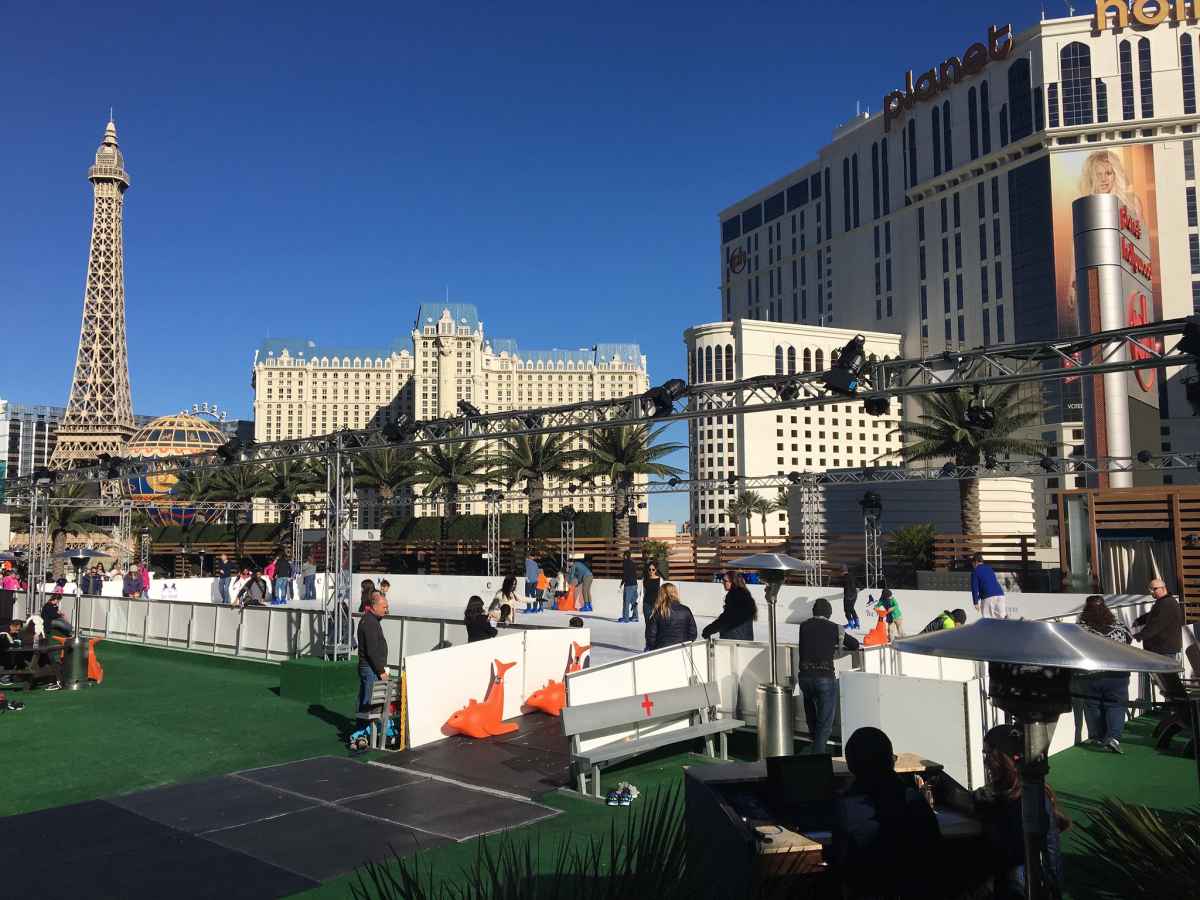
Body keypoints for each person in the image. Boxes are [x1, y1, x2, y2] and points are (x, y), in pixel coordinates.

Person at [934, 725, 1069, 899]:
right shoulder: (1004, 791)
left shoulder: (1028, 800)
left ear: (1003, 757)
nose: (985, 761)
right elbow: (973, 800)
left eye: (988, 754)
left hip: (1015, 888)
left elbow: (1046, 853)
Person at [830, 726, 942, 898]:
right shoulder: (913, 799)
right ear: (891, 761)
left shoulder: (848, 808)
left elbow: (841, 862)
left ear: (852, 766)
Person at [1071, 595, 1133, 753]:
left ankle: (1098, 737)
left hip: (1090, 674)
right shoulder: (1119, 626)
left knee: (1093, 706)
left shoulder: (1080, 629)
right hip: (1118, 674)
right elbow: (1129, 640)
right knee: (1117, 706)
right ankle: (1113, 737)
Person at [795, 598, 850, 754]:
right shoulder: (834, 628)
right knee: (824, 724)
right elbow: (853, 644)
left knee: (812, 719)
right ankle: (817, 759)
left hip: (805, 678)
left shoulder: (803, 626)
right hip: (824, 677)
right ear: (829, 613)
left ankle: (813, 748)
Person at [356, 591, 389, 716]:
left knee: (367, 699)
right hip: (371, 668)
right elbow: (372, 651)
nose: (386, 610)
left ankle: (364, 729)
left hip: (370, 668)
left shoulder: (371, 620)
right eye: (384, 607)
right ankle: (363, 729)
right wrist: (381, 671)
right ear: (374, 607)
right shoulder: (370, 622)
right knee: (369, 703)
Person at [701, 572, 757, 640]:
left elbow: (726, 619)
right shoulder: (745, 594)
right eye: (722, 581)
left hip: (733, 640)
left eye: (725, 581)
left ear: (733, 582)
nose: (723, 583)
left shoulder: (734, 596)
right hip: (746, 638)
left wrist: (708, 630)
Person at [645, 583, 697, 651]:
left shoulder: (658, 612)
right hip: (682, 650)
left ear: (661, 594)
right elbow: (693, 634)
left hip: (662, 651)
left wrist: (655, 649)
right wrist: (686, 644)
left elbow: (650, 636)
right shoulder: (686, 610)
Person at [971, 553, 1007, 619]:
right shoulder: (989, 568)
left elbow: (974, 588)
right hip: (1000, 595)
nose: (972, 565)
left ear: (975, 562)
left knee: (987, 620)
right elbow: (989, 583)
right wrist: (979, 597)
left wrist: (975, 602)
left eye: (972, 563)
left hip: (988, 598)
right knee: (1002, 619)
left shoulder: (975, 571)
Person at [642, 561, 662, 648]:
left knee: (656, 624)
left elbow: (662, 593)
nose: (651, 571)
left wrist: (661, 603)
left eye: (653, 569)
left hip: (657, 604)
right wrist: (637, 602)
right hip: (646, 604)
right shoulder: (645, 579)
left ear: (656, 570)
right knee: (648, 624)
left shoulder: (660, 580)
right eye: (649, 569)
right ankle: (648, 644)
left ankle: (656, 643)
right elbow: (642, 592)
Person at [618, 550, 639, 623]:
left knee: (626, 602)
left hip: (629, 585)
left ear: (625, 556)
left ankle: (625, 618)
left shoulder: (625, 562)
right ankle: (635, 617)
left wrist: (622, 583)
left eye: (624, 555)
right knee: (633, 601)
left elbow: (625, 574)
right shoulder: (633, 563)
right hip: (635, 584)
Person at [840, 564, 860, 630]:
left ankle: (851, 625)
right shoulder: (852, 576)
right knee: (851, 609)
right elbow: (859, 584)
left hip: (848, 595)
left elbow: (844, 586)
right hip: (854, 594)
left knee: (847, 610)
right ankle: (857, 624)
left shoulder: (844, 578)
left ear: (842, 571)